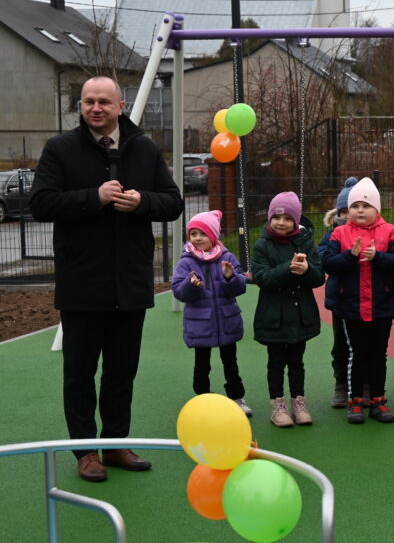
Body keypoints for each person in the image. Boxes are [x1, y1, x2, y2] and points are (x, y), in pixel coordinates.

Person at [29, 76, 183, 482]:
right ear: (81, 106)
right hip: (82, 282)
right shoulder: (60, 149)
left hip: (130, 282)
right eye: (88, 101)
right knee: (79, 374)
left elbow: (173, 202)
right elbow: (41, 203)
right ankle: (86, 452)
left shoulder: (144, 149)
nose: (95, 108)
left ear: (120, 107)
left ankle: (116, 444)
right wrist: (93, 197)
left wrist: (141, 202)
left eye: (103, 102)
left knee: (121, 372)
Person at [320, 178, 394, 423]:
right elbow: (328, 263)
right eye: (355, 206)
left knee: (379, 354)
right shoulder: (339, 233)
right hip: (351, 306)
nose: (360, 210)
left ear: (377, 209)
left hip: (381, 305)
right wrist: (350, 256)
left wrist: (378, 257)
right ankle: (355, 401)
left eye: (366, 206)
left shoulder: (390, 231)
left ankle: (378, 400)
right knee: (357, 354)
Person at [251, 191, 325, 427]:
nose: (281, 223)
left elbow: (318, 277)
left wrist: (307, 271)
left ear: (296, 221)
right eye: (276, 217)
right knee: (275, 362)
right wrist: (288, 268)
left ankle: (299, 402)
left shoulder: (305, 242)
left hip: (299, 313)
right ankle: (278, 405)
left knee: (296, 361)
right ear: (270, 218)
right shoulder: (262, 245)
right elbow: (262, 277)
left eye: (287, 218)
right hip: (273, 315)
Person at [171, 210, 249, 414]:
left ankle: (237, 397)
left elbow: (239, 287)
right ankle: (202, 399)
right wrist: (191, 285)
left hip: (226, 319)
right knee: (202, 364)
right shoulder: (186, 262)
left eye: (203, 233)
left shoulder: (227, 257)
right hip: (200, 323)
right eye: (193, 233)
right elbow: (179, 292)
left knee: (230, 362)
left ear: (213, 236)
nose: (198, 238)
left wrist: (230, 277)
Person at [317, 176, 358, 408]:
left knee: (363, 344)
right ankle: (341, 384)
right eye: (344, 211)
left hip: (365, 300)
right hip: (341, 299)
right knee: (341, 345)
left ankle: (363, 383)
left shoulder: (370, 233)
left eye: (353, 210)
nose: (349, 216)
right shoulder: (332, 235)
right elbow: (324, 258)